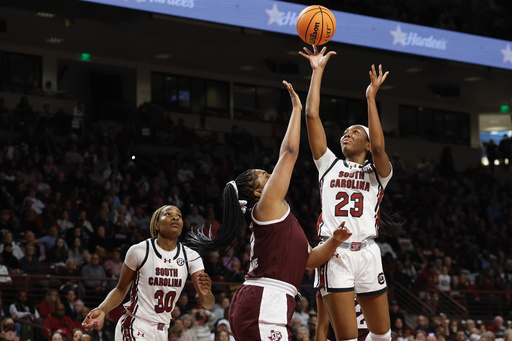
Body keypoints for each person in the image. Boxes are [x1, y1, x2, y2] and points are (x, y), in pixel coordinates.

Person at [187, 81, 352, 341]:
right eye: (264, 176)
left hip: (268, 300)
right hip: (264, 299)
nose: (269, 175)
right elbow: (289, 152)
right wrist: (297, 109)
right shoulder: (266, 207)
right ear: (256, 193)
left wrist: (335, 241)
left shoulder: (280, 218)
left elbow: (309, 261)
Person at [300, 45, 401, 341]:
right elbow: (311, 115)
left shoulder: (378, 173)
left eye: (356, 132)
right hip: (335, 254)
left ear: (367, 145)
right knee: (346, 338)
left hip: (368, 252)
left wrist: (371, 98)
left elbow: (381, 148)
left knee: (382, 335)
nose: (347, 134)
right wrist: (316, 72)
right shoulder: (328, 165)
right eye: (345, 132)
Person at [82, 205, 215, 341]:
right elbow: (121, 289)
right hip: (135, 325)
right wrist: (103, 309)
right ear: (156, 224)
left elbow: (208, 304)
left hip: (162, 330)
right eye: (168, 214)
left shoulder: (192, 257)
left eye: (179, 216)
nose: (175, 217)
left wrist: (207, 292)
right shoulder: (139, 251)